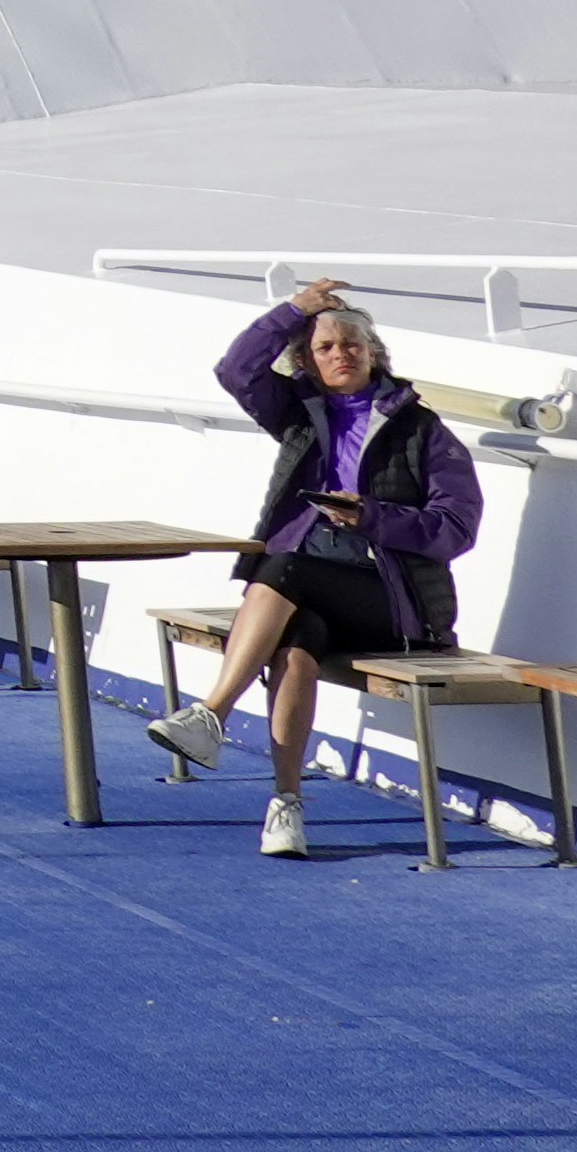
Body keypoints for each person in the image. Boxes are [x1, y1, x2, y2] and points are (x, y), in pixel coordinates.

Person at [143, 280, 483, 857]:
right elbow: (237, 371)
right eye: (324, 348)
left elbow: (456, 529)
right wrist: (295, 310)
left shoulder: (424, 432)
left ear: (374, 354)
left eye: (351, 344)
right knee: (296, 643)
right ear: (307, 362)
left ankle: (212, 713)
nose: (340, 354)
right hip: (309, 594)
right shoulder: (302, 418)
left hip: (392, 605)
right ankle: (287, 808)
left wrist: (372, 517)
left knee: (280, 568)